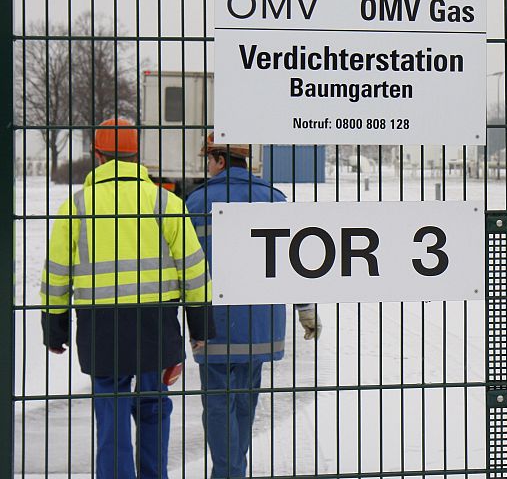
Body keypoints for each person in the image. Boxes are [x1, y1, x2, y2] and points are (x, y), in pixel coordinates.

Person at [40, 117, 215, 479]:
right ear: (136, 155)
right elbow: (194, 269)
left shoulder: (76, 206)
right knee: (153, 406)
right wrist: (199, 325)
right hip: (156, 322)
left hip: (100, 326)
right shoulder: (164, 201)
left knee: (111, 411)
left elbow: (57, 271)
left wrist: (53, 327)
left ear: (98, 155)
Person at [186, 133, 322, 478]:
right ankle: (234, 469)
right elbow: (296, 260)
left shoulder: (198, 202)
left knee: (218, 403)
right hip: (262, 323)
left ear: (218, 159)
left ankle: (228, 471)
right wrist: (305, 308)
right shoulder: (275, 200)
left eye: (209, 160)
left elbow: (183, 264)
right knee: (246, 401)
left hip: (213, 323)